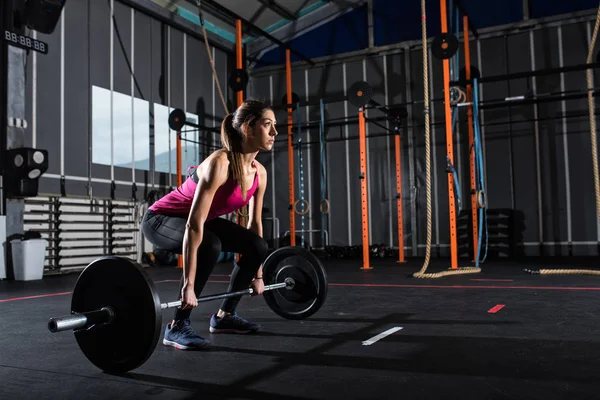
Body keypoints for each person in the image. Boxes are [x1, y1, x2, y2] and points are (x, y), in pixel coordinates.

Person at [141, 99, 277, 350]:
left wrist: (258, 275)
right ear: (247, 128)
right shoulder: (220, 163)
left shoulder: (259, 172)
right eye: (267, 125)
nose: (274, 133)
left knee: (257, 245)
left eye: (274, 126)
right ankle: (177, 326)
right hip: (159, 219)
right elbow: (194, 225)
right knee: (209, 244)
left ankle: (225, 316)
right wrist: (188, 286)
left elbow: (255, 223)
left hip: (199, 222)